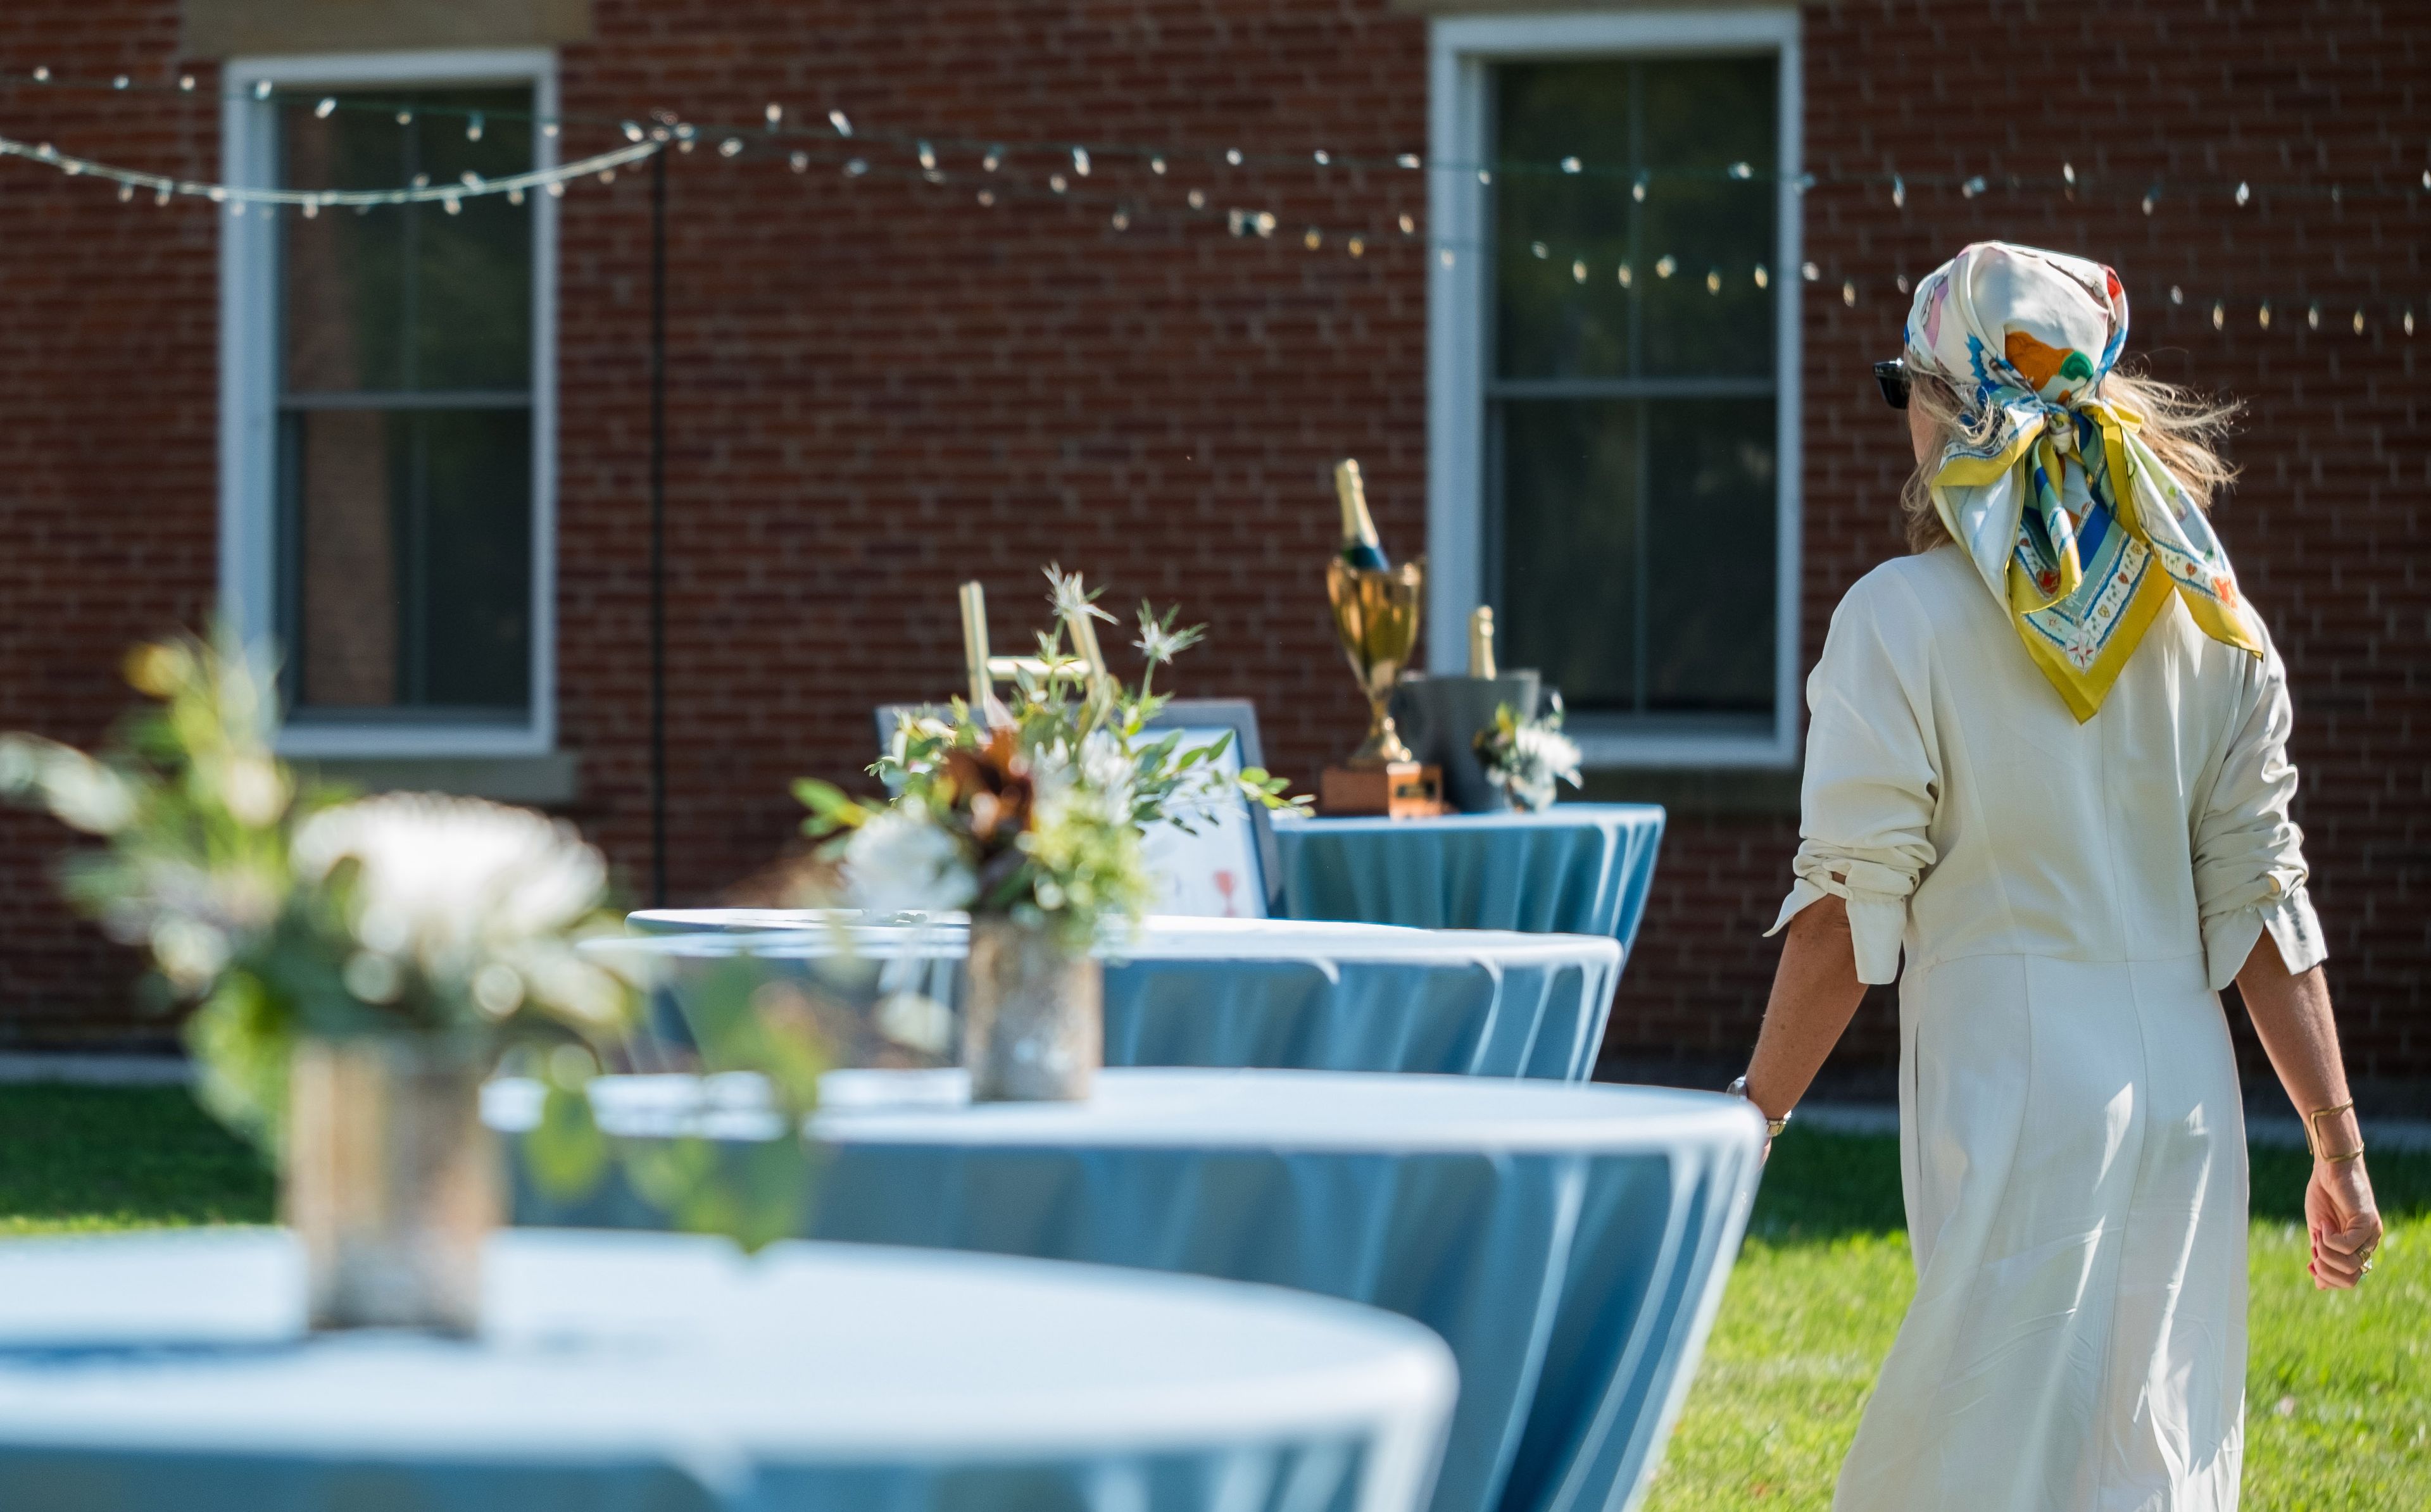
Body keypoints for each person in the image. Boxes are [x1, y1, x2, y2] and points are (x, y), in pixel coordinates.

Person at [1735, 242, 2383, 1511]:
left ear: (1952, 403)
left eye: (1902, 387)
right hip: (2190, 1106)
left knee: (1969, 1472)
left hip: (2013, 1095)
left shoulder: (1898, 619)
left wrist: (1749, 1120)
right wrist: (2338, 1145)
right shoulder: (2217, 619)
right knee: (2149, 1469)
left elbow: (1841, 916)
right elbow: (2261, 904)